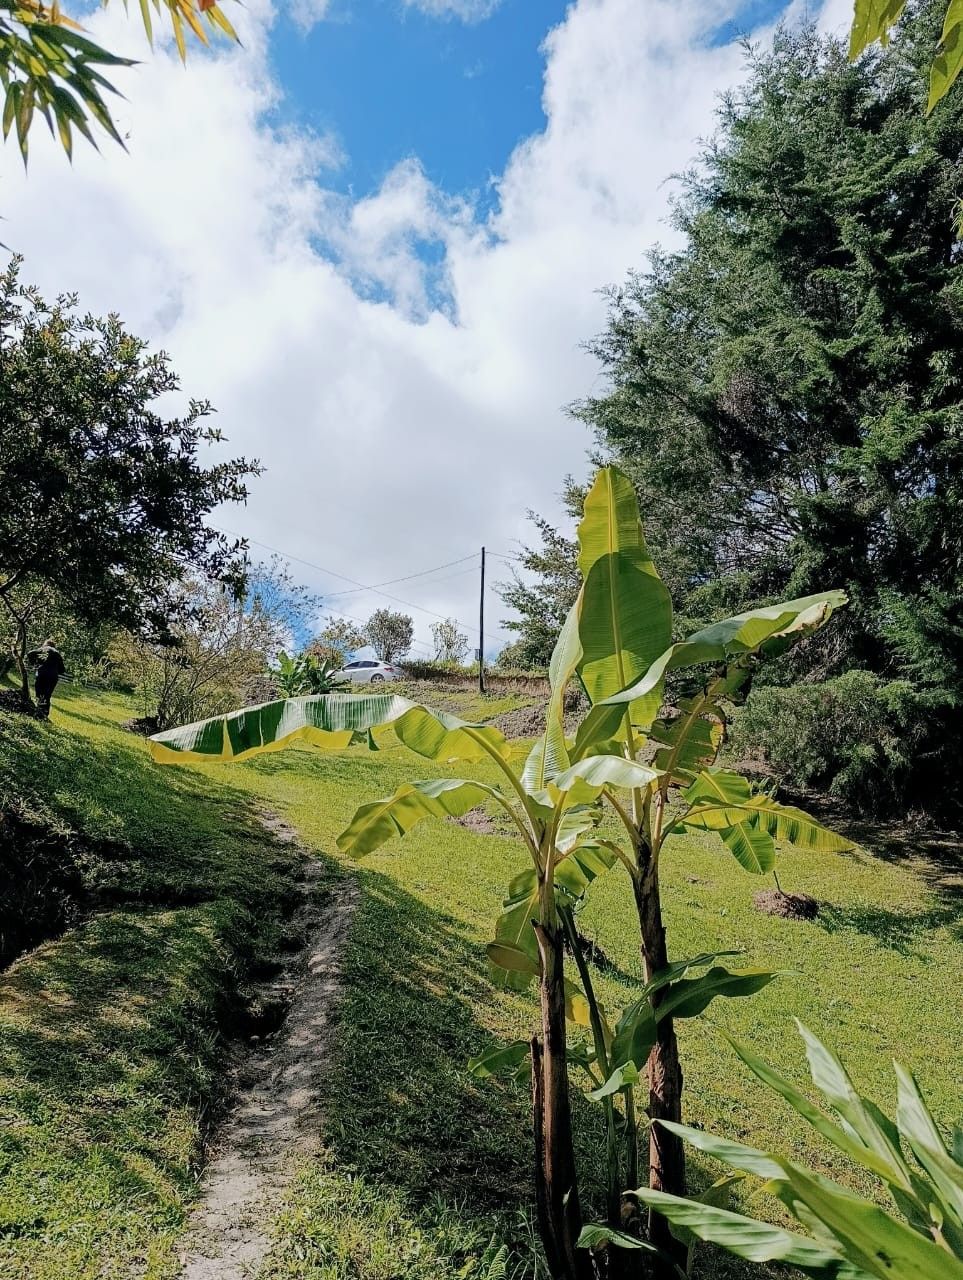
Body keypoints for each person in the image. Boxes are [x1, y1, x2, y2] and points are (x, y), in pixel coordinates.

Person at [27, 639, 67, 719]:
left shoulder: (43, 649)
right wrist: (54, 669)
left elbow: (30, 653)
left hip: (42, 674)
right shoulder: (57, 653)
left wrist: (35, 664)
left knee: (39, 693)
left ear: (45, 644)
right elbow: (62, 670)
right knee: (47, 695)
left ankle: (38, 711)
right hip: (53, 677)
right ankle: (44, 714)